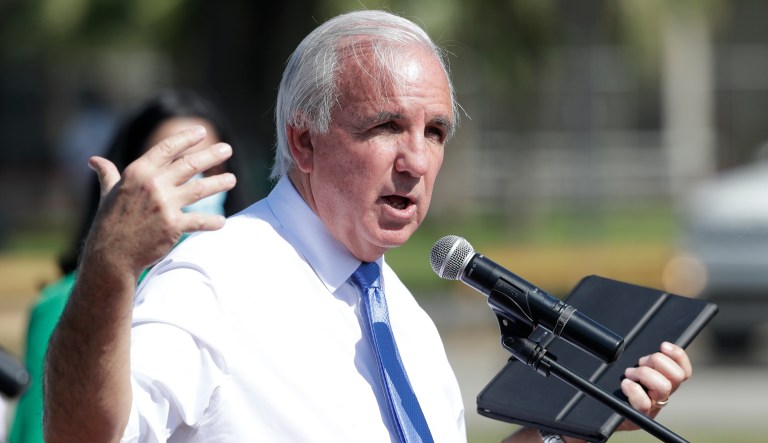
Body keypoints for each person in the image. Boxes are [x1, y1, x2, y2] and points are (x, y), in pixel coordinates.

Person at [43, 10, 692, 443]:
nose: (416, 160)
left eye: (435, 131)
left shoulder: (403, 319)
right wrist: (109, 269)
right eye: (385, 126)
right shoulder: (214, 279)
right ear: (303, 142)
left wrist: (576, 423)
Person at [9, 89, 250, 443]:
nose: (195, 186)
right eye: (174, 168)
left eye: (208, 168)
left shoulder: (260, 284)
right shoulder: (68, 302)